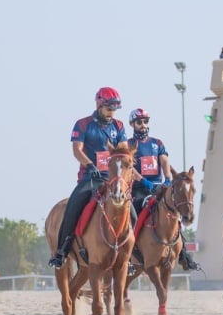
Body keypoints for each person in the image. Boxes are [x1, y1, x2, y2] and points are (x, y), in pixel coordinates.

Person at [48, 87, 129, 269]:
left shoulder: (119, 126)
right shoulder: (83, 124)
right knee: (72, 207)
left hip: (113, 179)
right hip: (90, 178)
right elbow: (77, 149)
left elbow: (123, 149)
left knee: (131, 211)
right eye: (109, 108)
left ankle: (132, 254)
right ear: (99, 104)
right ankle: (62, 250)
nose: (111, 113)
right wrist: (90, 165)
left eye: (114, 109)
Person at [127, 108, 198, 271]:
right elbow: (129, 167)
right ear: (132, 124)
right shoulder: (129, 144)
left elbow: (164, 161)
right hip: (138, 188)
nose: (143, 125)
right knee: (134, 215)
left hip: (158, 186)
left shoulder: (157, 143)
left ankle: (183, 254)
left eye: (145, 121)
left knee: (174, 213)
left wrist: (166, 179)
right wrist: (143, 181)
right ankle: (129, 253)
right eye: (139, 122)